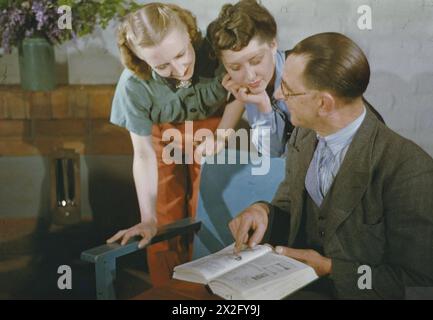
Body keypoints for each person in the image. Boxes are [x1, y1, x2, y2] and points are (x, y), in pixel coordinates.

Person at [228, 32, 433, 299]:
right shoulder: (304, 134)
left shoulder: (410, 169)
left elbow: (420, 283)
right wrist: (263, 212)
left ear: (324, 104)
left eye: (287, 89)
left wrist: (330, 269)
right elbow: (290, 205)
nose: (277, 94)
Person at [106, 3, 228, 286]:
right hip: (163, 135)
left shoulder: (216, 51)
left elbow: (240, 96)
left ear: (190, 34)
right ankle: (169, 290)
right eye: (162, 66)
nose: (180, 68)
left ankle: (214, 290)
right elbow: (144, 154)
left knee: (209, 208)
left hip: (216, 128)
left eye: (182, 53)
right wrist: (147, 218)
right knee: (163, 212)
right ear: (142, 61)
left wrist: (221, 136)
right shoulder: (133, 85)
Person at [198, 0, 293, 157]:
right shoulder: (247, 89)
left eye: (256, 61)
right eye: (235, 67)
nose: (250, 76)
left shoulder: (303, 75)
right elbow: (272, 153)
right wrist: (219, 137)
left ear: (273, 44)